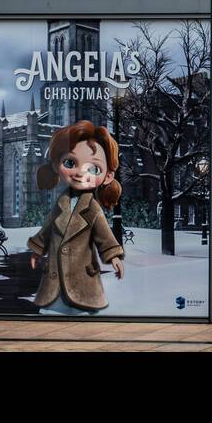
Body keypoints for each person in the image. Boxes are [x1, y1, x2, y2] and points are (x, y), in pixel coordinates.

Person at [27, 120, 125, 314]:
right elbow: (47, 229)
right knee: (52, 314)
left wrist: (113, 256)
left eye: (93, 168)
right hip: (55, 279)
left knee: (82, 314)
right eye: (70, 163)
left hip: (83, 279)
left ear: (107, 176)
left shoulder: (92, 208)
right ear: (57, 165)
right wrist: (38, 249)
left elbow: (104, 235)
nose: (81, 173)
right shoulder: (61, 204)